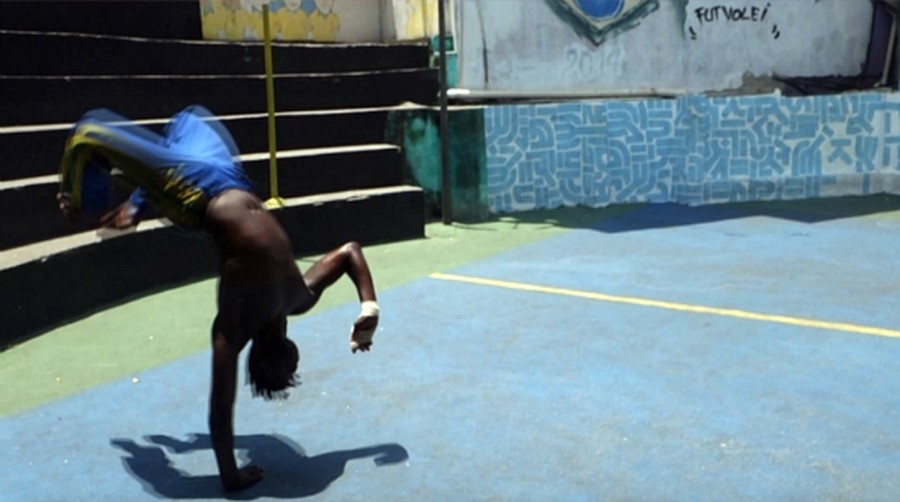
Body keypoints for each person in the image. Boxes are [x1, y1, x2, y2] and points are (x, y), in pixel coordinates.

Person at [57, 105, 380, 492]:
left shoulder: (235, 325)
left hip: (194, 196)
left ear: (262, 361)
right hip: (226, 177)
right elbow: (349, 252)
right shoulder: (299, 299)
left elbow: (220, 409)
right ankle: (138, 203)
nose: (294, 369)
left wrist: (231, 476)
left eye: (285, 375)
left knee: (91, 134)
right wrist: (369, 308)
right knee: (188, 119)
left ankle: (79, 198)